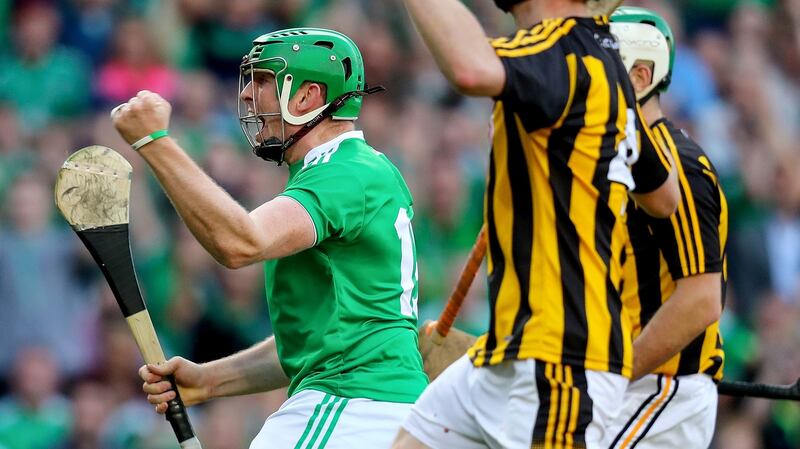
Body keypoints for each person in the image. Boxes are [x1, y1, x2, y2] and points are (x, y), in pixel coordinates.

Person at [111, 27, 428, 449]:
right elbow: (313, 344)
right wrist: (209, 381)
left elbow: (240, 243)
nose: (246, 95)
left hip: (352, 407)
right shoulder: (352, 170)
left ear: (307, 97)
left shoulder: (344, 173)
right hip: (374, 410)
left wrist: (154, 142)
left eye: (263, 81)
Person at [394, 0, 681, 448]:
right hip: (509, 350)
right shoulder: (603, 63)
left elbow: (470, 68)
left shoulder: (557, 46)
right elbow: (664, 197)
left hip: (560, 356)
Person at [605, 8, 727, 448]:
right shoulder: (613, 162)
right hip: (626, 389)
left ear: (640, 77)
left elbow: (701, 299)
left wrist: (616, 372)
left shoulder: (682, 166)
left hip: (663, 393)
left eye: (603, 70)